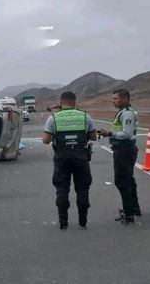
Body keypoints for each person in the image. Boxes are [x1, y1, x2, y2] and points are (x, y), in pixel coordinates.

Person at [42, 91, 97, 230]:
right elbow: (93, 137)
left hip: (62, 159)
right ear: (74, 101)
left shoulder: (53, 118)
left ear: (61, 102)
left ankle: (63, 222)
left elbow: (45, 140)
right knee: (83, 189)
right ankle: (83, 221)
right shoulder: (85, 116)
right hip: (81, 158)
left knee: (62, 189)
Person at [97, 89, 141, 224]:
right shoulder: (124, 112)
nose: (113, 101)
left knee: (122, 181)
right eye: (113, 99)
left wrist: (109, 134)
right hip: (124, 149)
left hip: (124, 149)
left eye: (116, 99)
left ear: (125, 99)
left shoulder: (127, 113)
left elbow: (126, 134)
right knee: (129, 179)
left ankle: (128, 214)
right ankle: (134, 209)